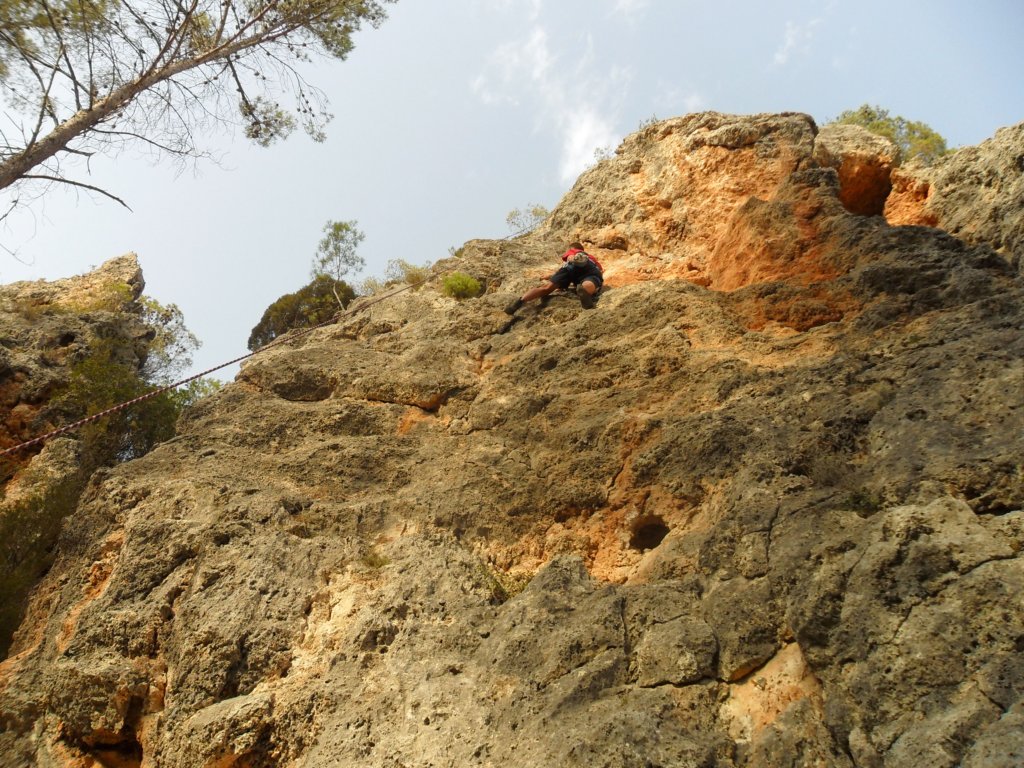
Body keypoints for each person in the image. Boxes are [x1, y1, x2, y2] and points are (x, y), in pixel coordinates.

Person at [504, 242, 604, 314]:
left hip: (569, 268)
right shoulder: (591, 257)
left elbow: (569, 259)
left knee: (546, 288)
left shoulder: (572, 250)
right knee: (589, 282)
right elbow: (599, 270)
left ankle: (519, 302)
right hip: (588, 268)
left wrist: (550, 276)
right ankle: (585, 291)